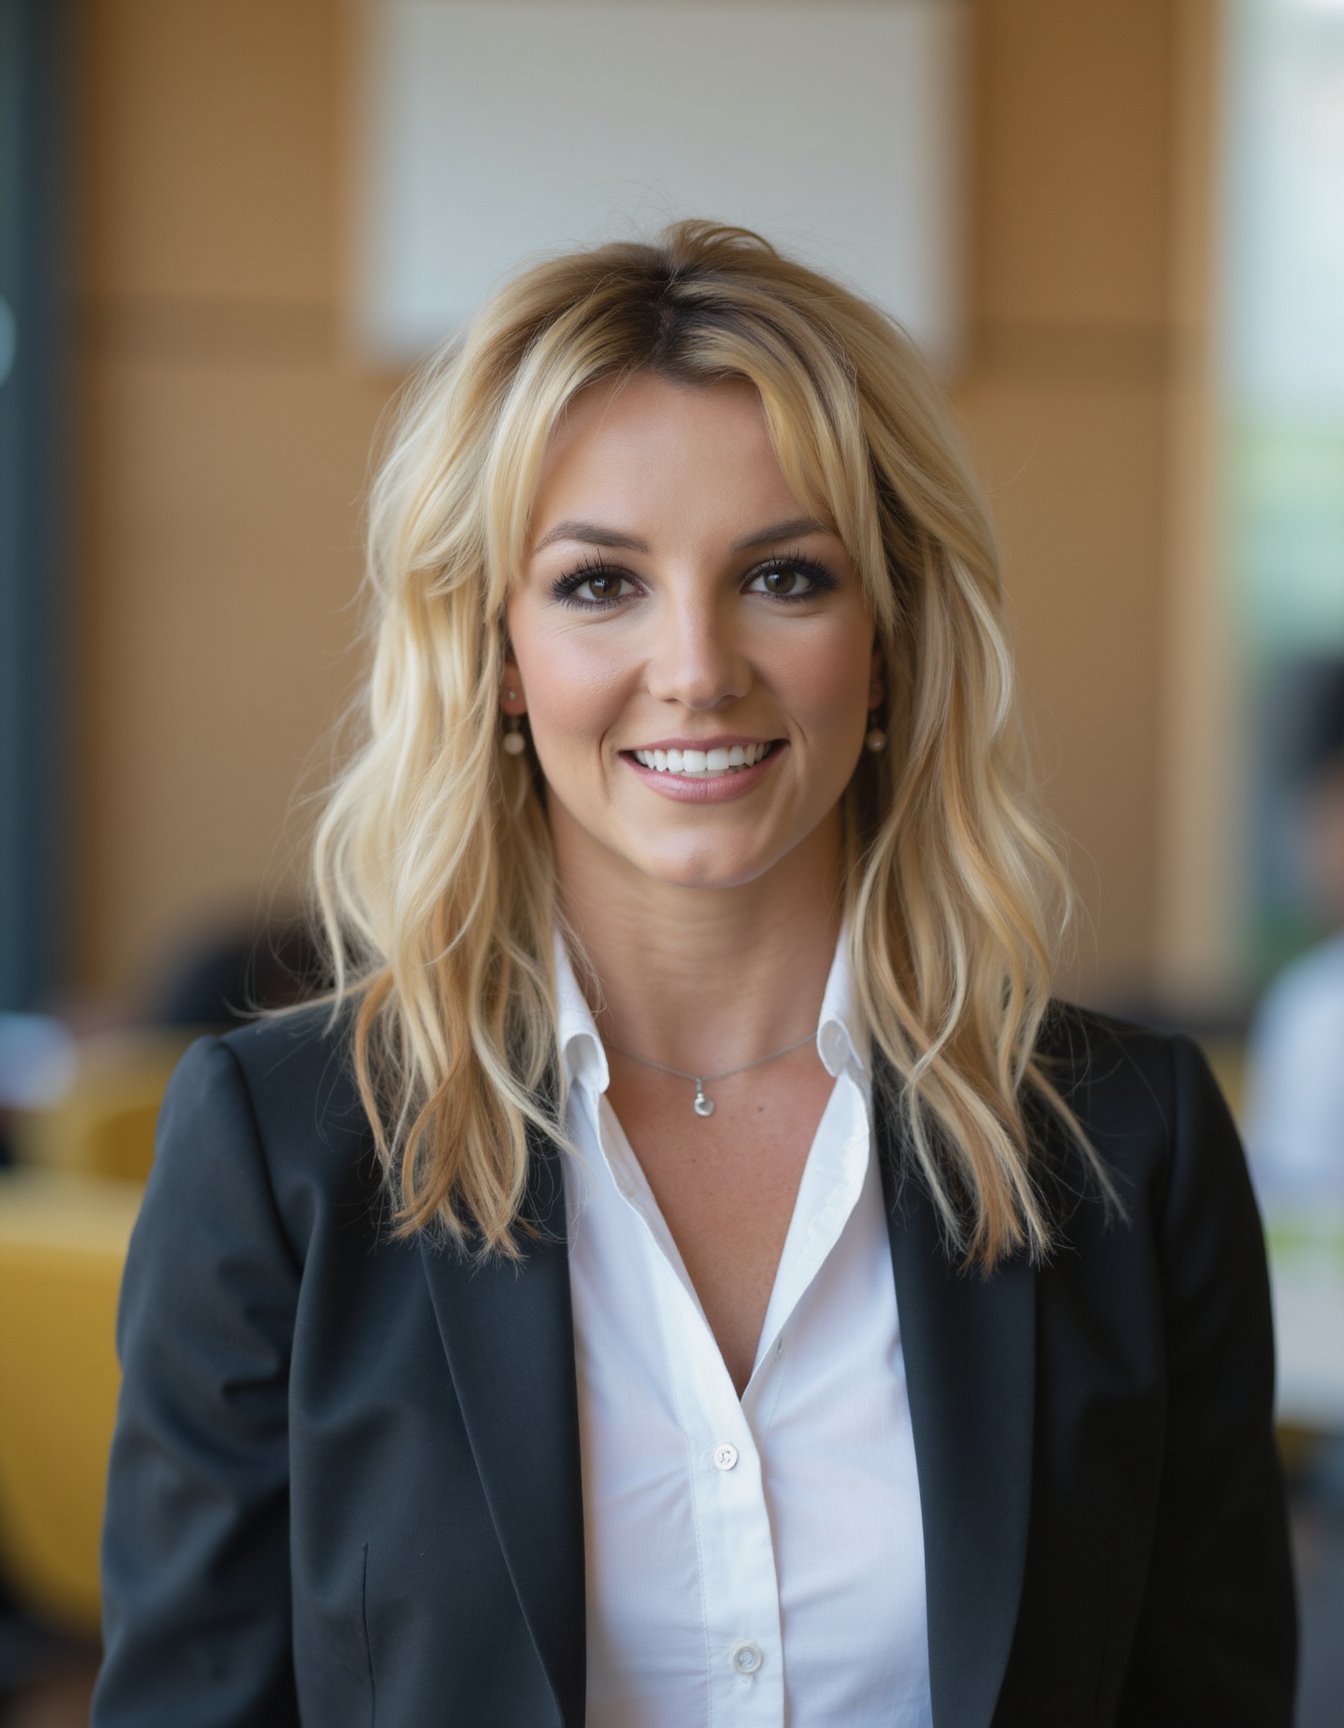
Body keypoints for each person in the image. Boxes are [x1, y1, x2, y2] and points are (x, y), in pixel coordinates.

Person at [92, 222, 1296, 1727]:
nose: (698, 667)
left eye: (784, 575)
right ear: (497, 654)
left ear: (894, 640)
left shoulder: (1134, 1141)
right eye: (601, 585)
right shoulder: (283, 1149)